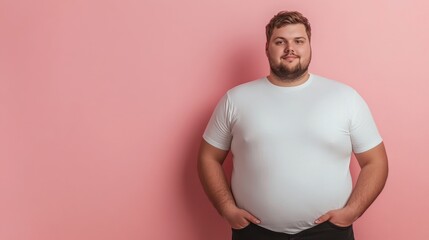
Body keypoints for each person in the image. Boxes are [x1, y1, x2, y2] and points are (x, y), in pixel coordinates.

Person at [197, 10, 388, 240]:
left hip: (329, 233)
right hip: (255, 233)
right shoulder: (235, 100)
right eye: (280, 42)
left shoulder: (345, 98)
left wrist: (352, 212)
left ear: (309, 46)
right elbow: (208, 157)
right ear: (267, 48)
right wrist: (226, 208)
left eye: (299, 41)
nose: (290, 48)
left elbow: (375, 161)